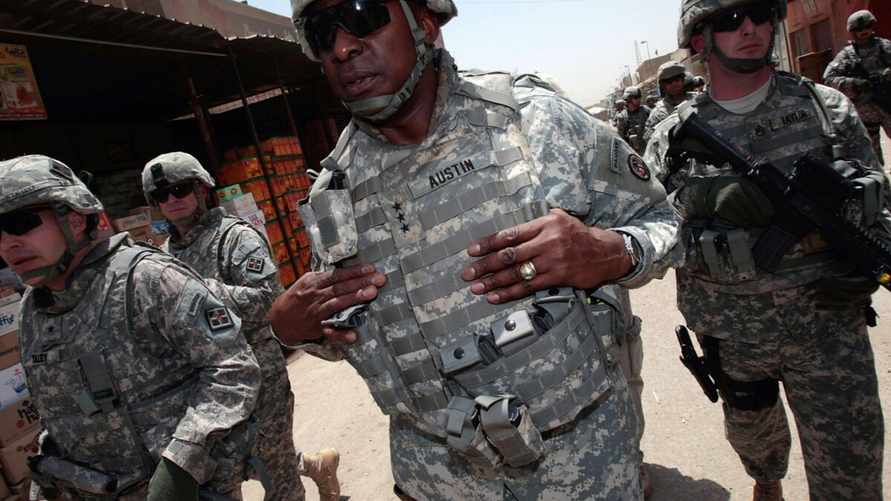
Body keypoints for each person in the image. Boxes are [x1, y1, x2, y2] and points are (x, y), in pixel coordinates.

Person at [269, 0, 681, 499]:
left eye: (364, 15)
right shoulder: (333, 196)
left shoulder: (534, 122)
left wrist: (614, 253)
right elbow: (351, 329)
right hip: (442, 479)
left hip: (582, 466)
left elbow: (664, 222)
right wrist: (299, 331)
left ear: (422, 23)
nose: (342, 46)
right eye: (320, 32)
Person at [644, 1, 887, 500]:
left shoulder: (826, 107)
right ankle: (767, 482)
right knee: (756, 441)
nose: (751, 28)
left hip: (830, 323)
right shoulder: (670, 138)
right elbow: (651, 233)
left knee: (853, 472)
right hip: (734, 333)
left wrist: (869, 255)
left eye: (759, 14)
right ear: (698, 40)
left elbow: (876, 196)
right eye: (731, 20)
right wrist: (705, 204)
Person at [0, 155, 261, 500]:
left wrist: (181, 465)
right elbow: (56, 411)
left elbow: (234, 368)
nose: (8, 244)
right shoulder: (34, 310)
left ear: (75, 220)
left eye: (21, 223)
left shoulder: (147, 279)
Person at [140, 152, 341, 501]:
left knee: (278, 479)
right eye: (161, 195)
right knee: (221, 478)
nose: (172, 200)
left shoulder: (235, 237)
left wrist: (198, 294)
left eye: (180, 189)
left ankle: (307, 472)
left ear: (202, 189)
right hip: (205, 386)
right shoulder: (164, 255)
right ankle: (316, 465)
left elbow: (268, 301)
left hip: (259, 376)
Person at [824, 9, 891, 165]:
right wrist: (855, 84)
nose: (864, 32)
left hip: (888, 103)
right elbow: (829, 78)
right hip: (865, 111)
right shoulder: (847, 55)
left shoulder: (886, 47)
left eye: (866, 27)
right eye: (859, 29)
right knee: (871, 159)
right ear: (853, 32)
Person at [644, 61, 694, 142]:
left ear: (683, 80)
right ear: (663, 85)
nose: (674, 84)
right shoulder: (657, 113)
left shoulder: (698, 99)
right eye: (669, 81)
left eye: (677, 79)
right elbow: (650, 140)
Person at [615, 86, 652, 154]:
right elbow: (621, 140)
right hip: (636, 153)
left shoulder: (646, 110)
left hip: (651, 148)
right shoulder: (622, 117)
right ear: (628, 99)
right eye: (636, 97)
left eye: (639, 97)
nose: (639, 99)